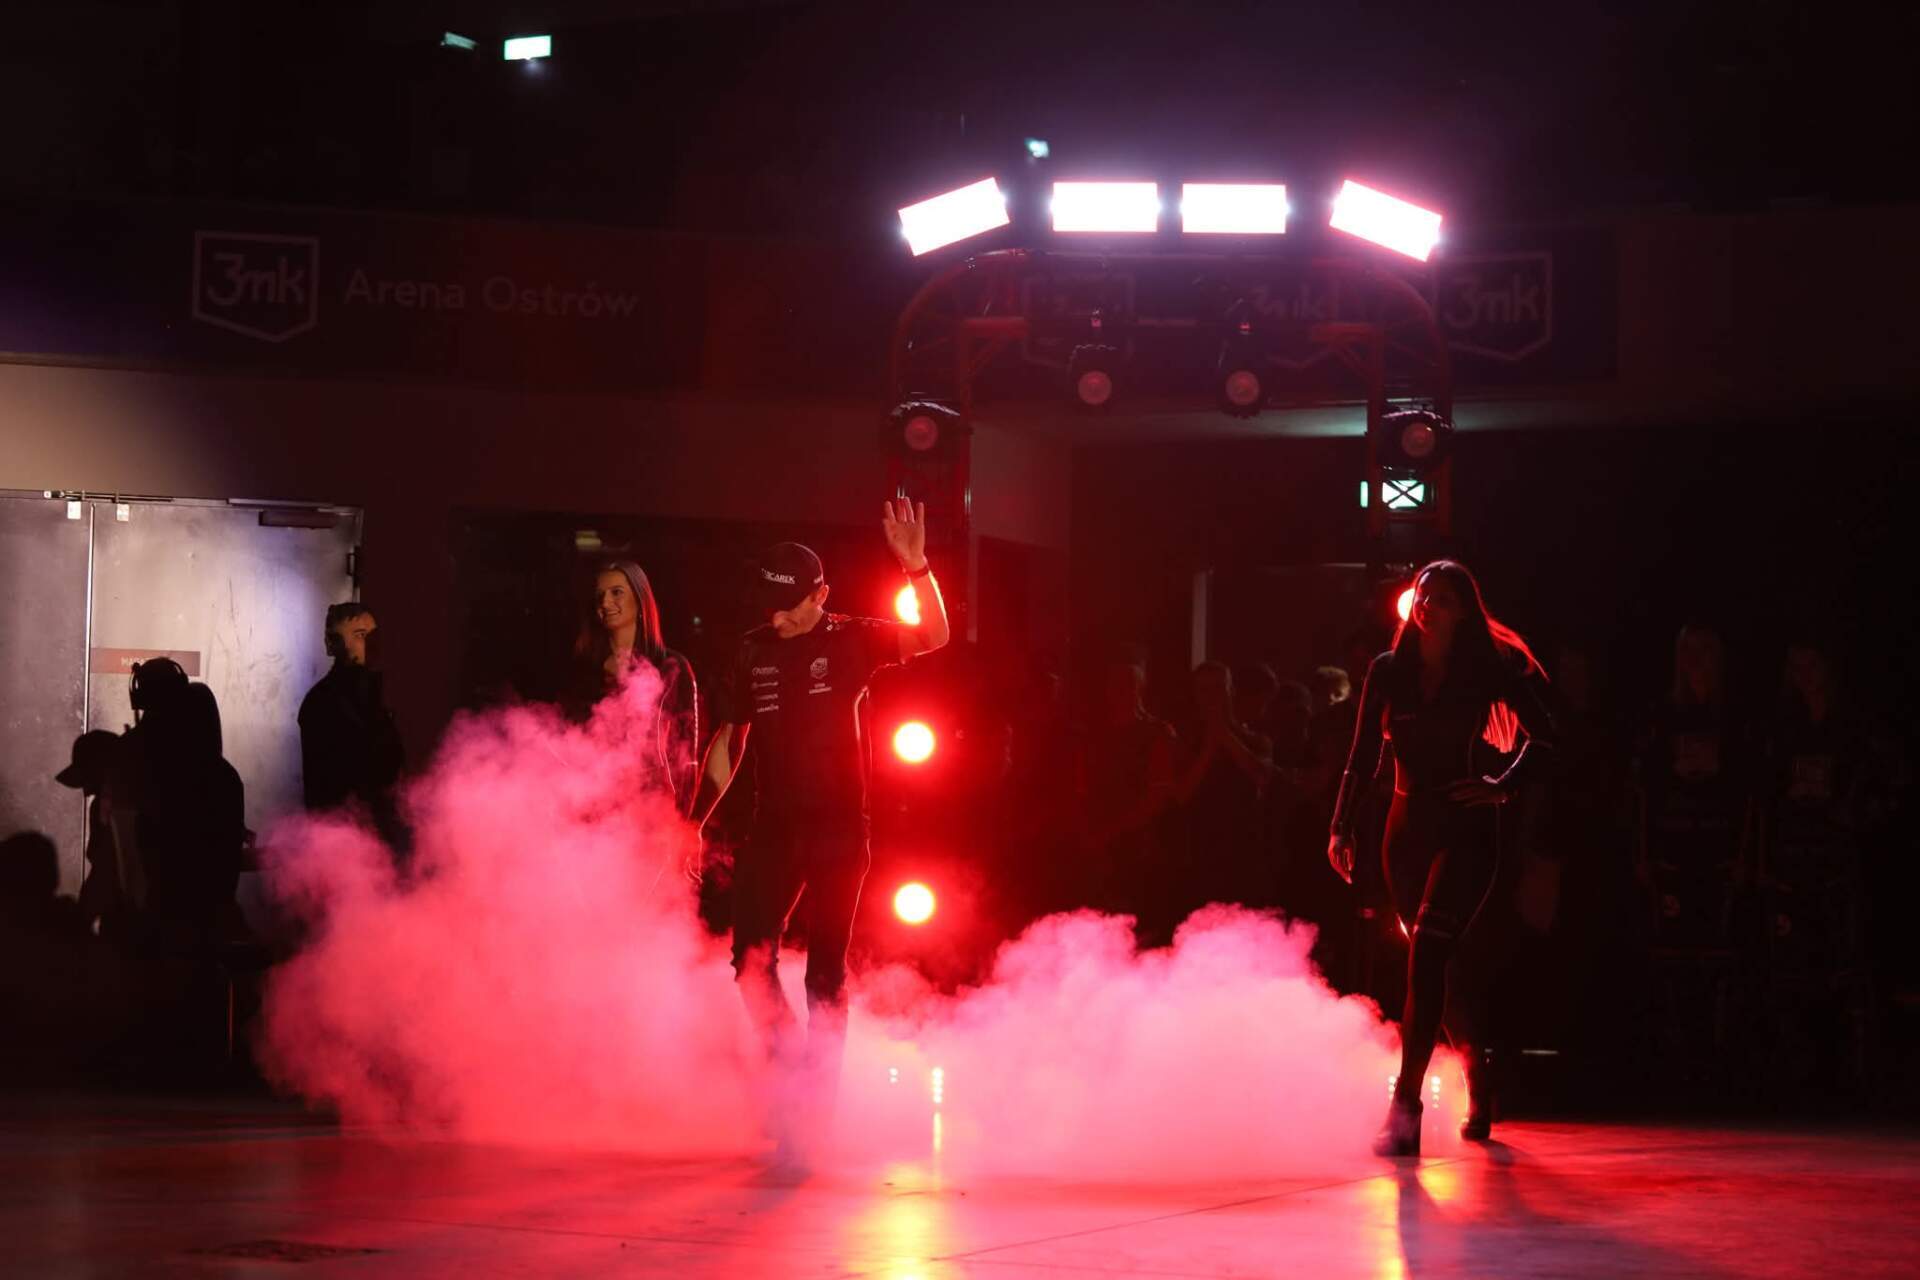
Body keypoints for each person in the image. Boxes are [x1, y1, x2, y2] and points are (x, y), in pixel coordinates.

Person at [691, 499, 950, 1156]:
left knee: (825, 978)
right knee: (750, 962)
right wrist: (693, 820)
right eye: (769, 607)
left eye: (790, 607)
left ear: (820, 595)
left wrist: (916, 566)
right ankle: (790, 1085)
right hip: (773, 826)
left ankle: (816, 1119)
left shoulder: (851, 638)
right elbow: (729, 742)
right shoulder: (752, 649)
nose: (777, 618)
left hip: (838, 830)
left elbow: (934, 635)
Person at [1327, 560, 1555, 1155]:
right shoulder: (1388, 670)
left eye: (1444, 599)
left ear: (1463, 613)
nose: (1428, 605)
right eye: (1424, 594)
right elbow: (1362, 757)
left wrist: (1502, 785)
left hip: (1467, 832)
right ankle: (1478, 1072)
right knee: (1434, 971)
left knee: (1429, 954)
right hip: (1405, 837)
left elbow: (1546, 735)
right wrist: (1341, 827)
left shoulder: (1485, 670)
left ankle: (1405, 1109)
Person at [572, 561, 700, 812]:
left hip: (653, 808)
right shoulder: (584, 670)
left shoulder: (671, 667)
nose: (605, 602)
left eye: (616, 592)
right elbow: (568, 741)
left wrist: (682, 818)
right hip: (593, 808)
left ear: (640, 601)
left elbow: (686, 753)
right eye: (600, 595)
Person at [298, 604, 406, 839]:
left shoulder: (373, 698)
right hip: (346, 837)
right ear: (332, 643)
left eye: (373, 635)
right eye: (359, 635)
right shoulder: (322, 702)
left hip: (374, 834)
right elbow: (328, 786)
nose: (371, 643)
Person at [1175, 662, 1274, 913]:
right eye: (1204, 690)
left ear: (1230, 691)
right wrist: (1209, 747)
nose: (1212, 697)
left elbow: (1261, 776)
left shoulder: (1256, 738)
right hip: (1200, 851)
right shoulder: (1185, 742)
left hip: (1244, 850)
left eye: (1218, 688)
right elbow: (1181, 795)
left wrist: (1225, 735)